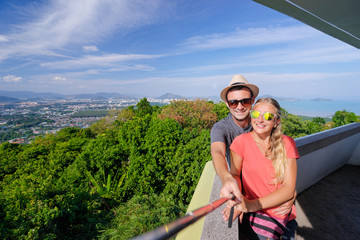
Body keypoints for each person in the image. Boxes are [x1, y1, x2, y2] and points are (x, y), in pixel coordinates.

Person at [210, 75, 296, 239]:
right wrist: (227, 178)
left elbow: (279, 157)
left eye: (245, 101)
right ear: (227, 104)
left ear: (253, 100)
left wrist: (290, 190)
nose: (240, 106)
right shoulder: (222, 128)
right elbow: (218, 152)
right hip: (246, 193)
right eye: (234, 102)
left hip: (269, 202)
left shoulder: (260, 120)